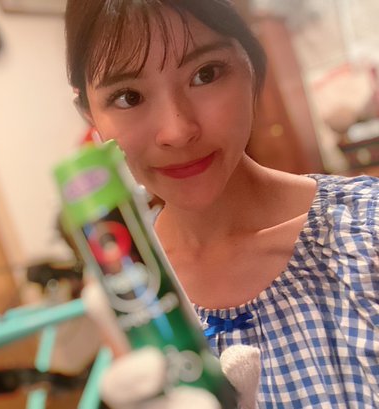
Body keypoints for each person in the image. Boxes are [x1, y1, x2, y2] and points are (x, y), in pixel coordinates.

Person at [63, 0, 379, 407]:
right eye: (128, 97)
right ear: (90, 117)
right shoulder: (131, 293)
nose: (177, 131)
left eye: (205, 74)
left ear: (252, 67)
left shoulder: (366, 232)